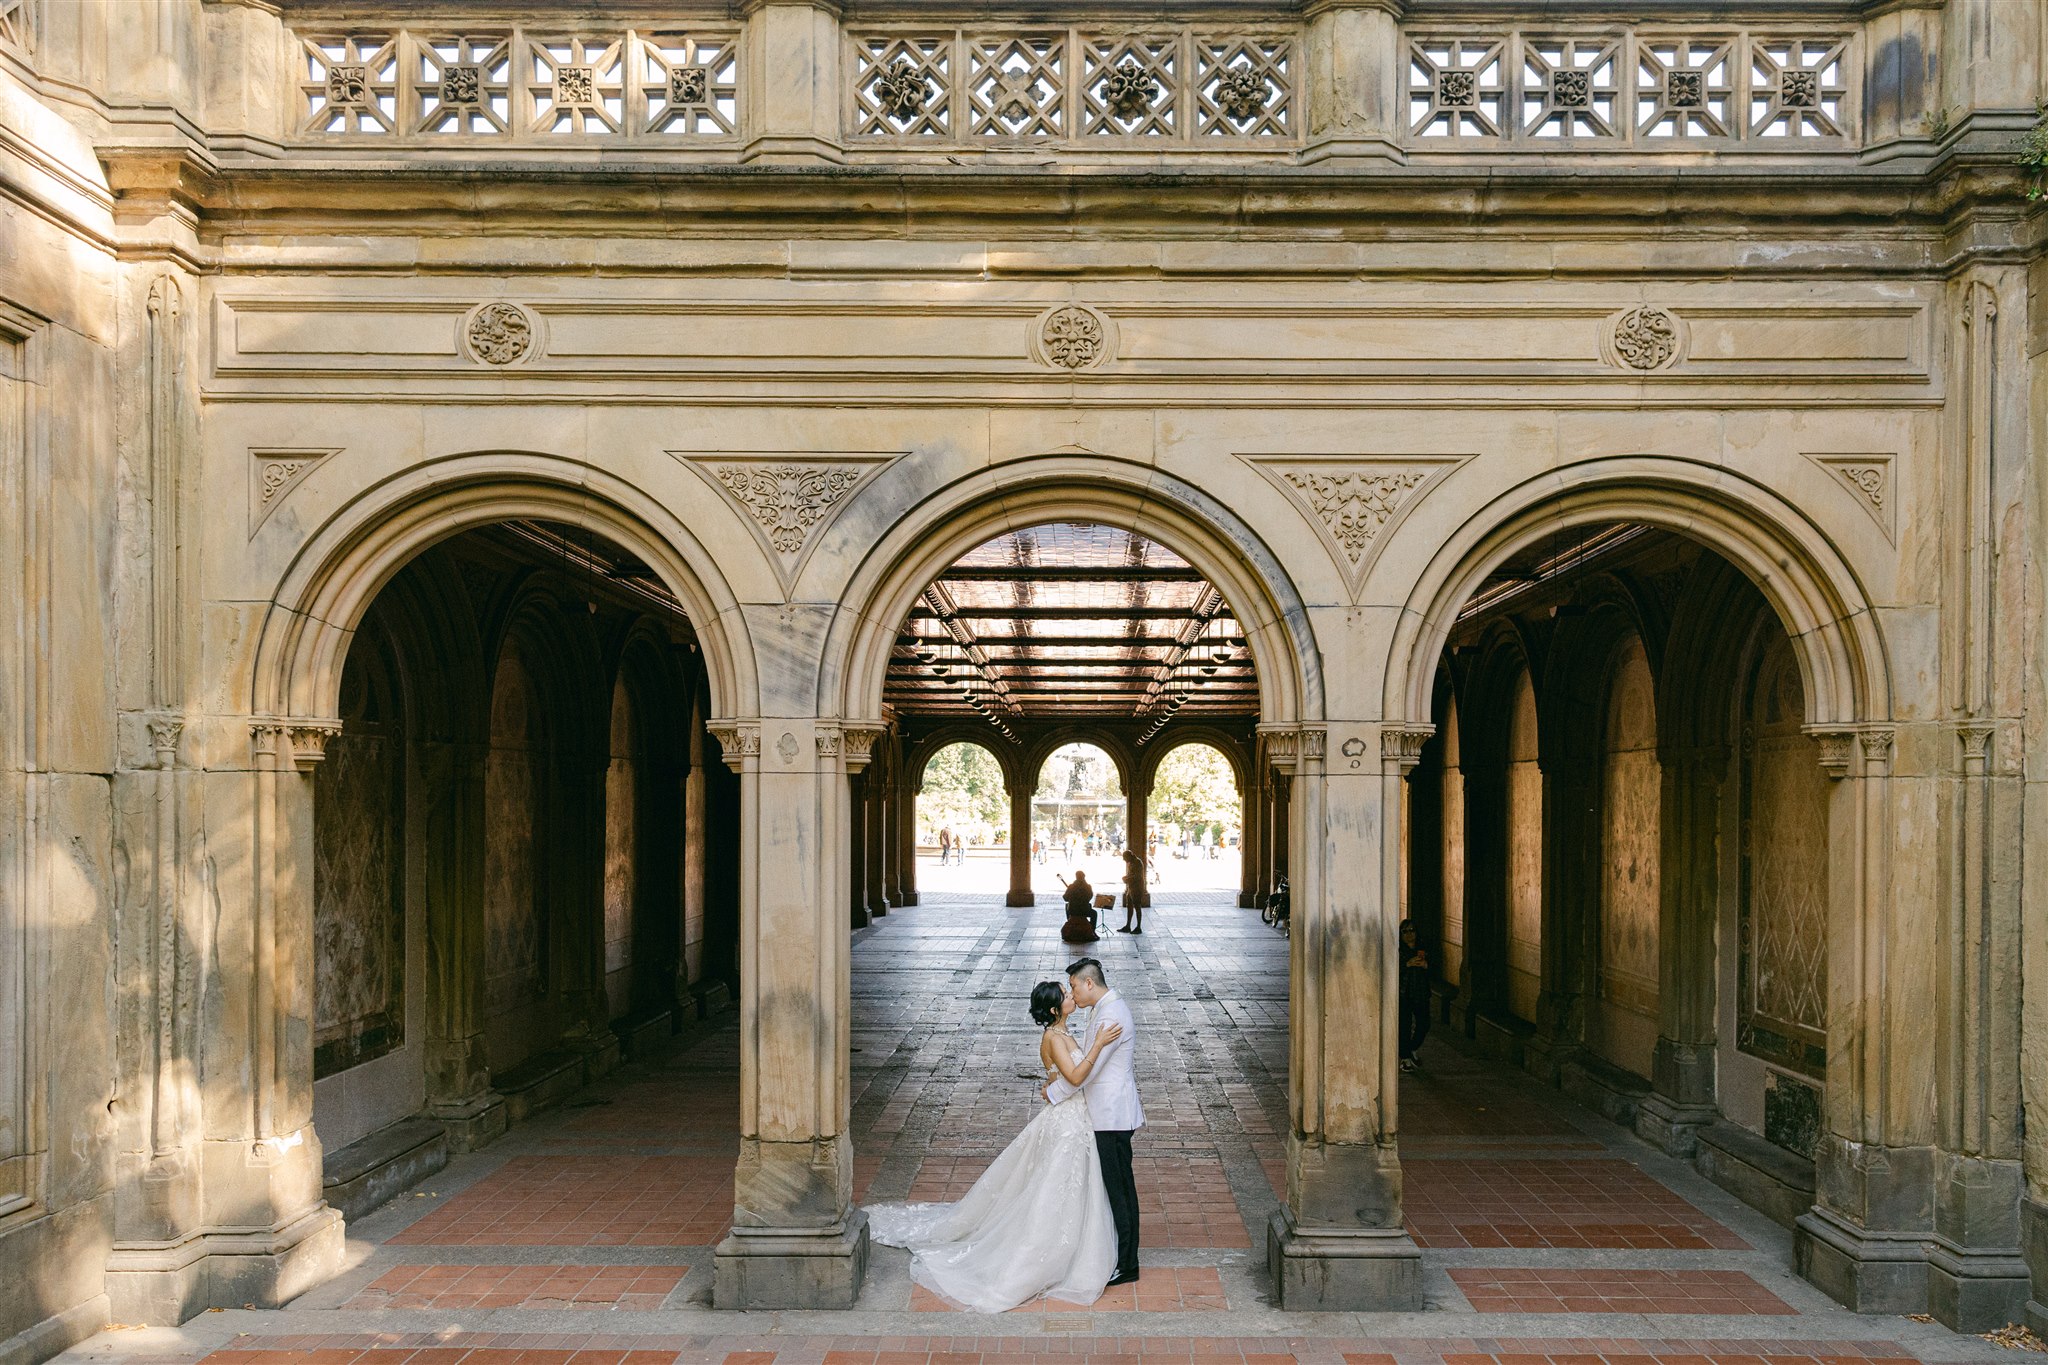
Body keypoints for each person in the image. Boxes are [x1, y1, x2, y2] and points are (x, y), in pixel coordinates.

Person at [865, 979, 1123, 1310]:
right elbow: (1074, 1078)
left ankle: (1070, 1248)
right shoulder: (1053, 1037)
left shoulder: (1063, 1032)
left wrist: (1059, 1077)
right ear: (1056, 1009)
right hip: (1067, 1122)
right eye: (1067, 995)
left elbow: (1059, 1078)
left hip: (1073, 1118)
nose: (1073, 996)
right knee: (1054, 1184)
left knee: (1064, 1184)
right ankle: (1037, 1258)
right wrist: (1099, 1044)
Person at [1046, 960, 1143, 1288]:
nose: (1071, 993)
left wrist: (1053, 1092)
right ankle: (1123, 1255)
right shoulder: (1103, 1009)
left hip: (1112, 1114)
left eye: (1073, 986)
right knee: (1118, 1187)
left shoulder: (1111, 1014)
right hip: (1105, 1113)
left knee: (1120, 1190)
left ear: (1089, 983)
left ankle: (1128, 1263)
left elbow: (1088, 1072)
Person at [1398, 919, 1431, 1072]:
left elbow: (1435, 967)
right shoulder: (1398, 950)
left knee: (1424, 1024)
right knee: (1404, 1026)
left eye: (1412, 930)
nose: (1409, 934)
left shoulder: (1423, 949)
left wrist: (1426, 965)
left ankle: (1411, 1049)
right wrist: (1406, 964)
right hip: (1404, 994)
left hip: (1421, 993)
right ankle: (1405, 1059)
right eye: (1405, 931)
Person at [1059, 870, 1098, 944]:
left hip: (1073, 910)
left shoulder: (1071, 886)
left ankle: (1070, 920)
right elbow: (1089, 898)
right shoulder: (1088, 887)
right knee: (1094, 913)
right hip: (1084, 910)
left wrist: (1070, 892)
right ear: (1084, 877)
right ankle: (1092, 930)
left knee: (1067, 906)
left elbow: (1065, 898)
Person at [1116, 846, 1146, 934]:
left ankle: (1138, 926)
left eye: (1125, 858)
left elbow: (1137, 876)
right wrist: (1126, 878)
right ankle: (1128, 925)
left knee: (1137, 906)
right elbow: (1132, 874)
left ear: (1129, 856)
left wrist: (1127, 878)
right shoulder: (1131, 862)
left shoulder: (1138, 862)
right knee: (1129, 906)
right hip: (1131, 887)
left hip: (1137, 887)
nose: (1124, 860)